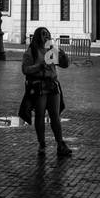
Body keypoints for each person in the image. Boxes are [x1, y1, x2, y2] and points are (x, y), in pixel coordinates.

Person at [21, 26, 72, 157]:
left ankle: (60, 143)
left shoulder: (51, 50)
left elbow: (65, 65)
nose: (46, 37)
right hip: (39, 86)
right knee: (40, 115)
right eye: (44, 34)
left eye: (48, 34)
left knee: (55, 116)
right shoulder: (31, 52)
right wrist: (39, 66)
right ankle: (42, 144)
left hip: (53, 85)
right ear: (38, 36)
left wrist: (63, 55)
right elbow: (25, 69)